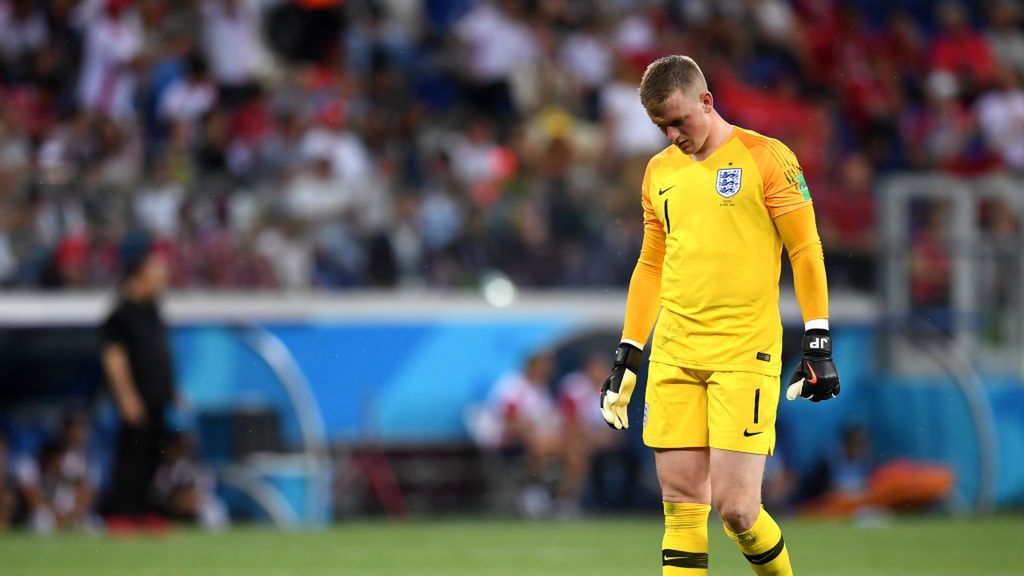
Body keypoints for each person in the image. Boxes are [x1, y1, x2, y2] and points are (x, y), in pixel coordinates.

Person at [598, 56, 840, 576]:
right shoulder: (659, 172)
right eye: (661, 126)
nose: (672, 134)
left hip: (743, 353)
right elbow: (651, 265)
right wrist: (629, 353)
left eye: (679, 120)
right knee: (681, 503)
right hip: (675, 354)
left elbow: (805, 250)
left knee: (737, 510)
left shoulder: (767, 158)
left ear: (706, 101)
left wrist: (817, 339)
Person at [100, 234, 176, 530]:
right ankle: (121, 513)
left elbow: (159, 352)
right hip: (136, 397)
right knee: (131, 456)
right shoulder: (121, 314)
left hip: (158, 396)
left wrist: (173, 388)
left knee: (154, 456)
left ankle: (145, 510)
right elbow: (114, 358)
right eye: (156, 273)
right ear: (139, 276)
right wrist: (126, 396)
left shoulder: (153, 310)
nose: (162, 280)